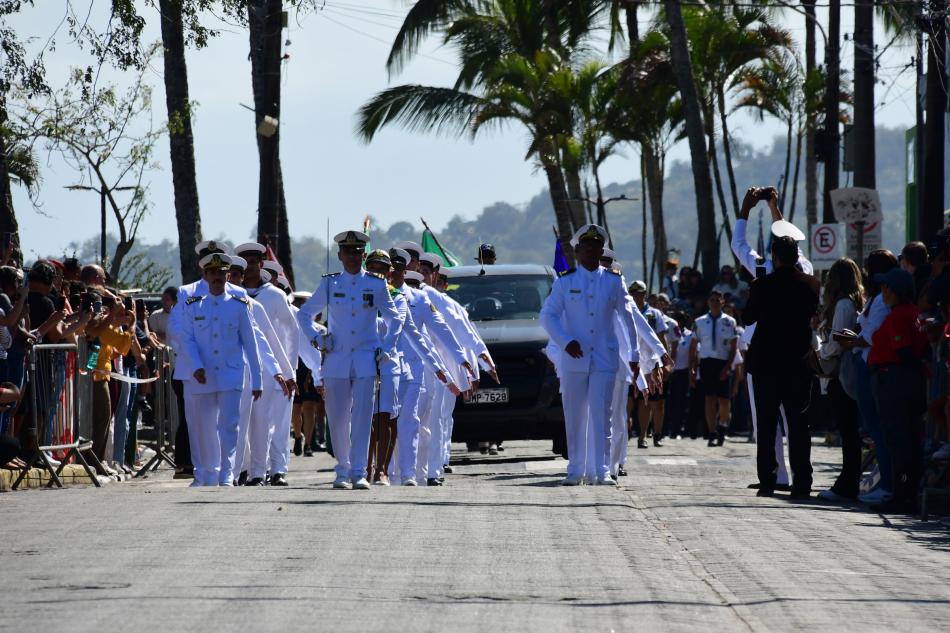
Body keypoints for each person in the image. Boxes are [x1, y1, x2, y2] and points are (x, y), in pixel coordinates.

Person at [296, 230, 400, 490]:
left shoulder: (376, 284)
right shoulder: (331, 284)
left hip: (366, 358)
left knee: (363, 417)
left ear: (363, 255)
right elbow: (304, 315)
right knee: (338, 417)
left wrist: (386, 346)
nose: (352, 257)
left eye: (357, 252)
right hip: (336, 358)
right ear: (340, 255)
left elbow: (395, 318)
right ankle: (342, 469)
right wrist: (317, 340)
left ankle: (359, 471)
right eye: (347, 252)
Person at [539, 224, 641, 486]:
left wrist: (635, 354)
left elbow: (627, 318)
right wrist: (564, 341)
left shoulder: (613, 281)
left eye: (597, 246)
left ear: (601, 250)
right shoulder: (565, 282)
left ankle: (602, 470)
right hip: (574, 358)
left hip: (604, 358)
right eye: (587, 246)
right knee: (574, 416)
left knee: (602, 415)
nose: (592, 250)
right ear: (578, 250)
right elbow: (547, 316)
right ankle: (575, 470)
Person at [177, 253, 264, 487]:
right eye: (212, 273)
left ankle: (226, 472)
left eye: (221, 273)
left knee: (229, 424)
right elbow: (187, 339)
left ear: (228, 275)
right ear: (205, 276)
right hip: (203, 376)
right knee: (204, 427)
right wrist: (195, 366)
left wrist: (257, 380)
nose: (217, 277)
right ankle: (207, 473)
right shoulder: (194, 306)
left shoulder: (238, 306)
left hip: (230, 373)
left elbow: (251, 343)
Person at [742, 235, 820, 498]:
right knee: (799, 425)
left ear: (774, 257)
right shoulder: (809, 285)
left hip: (766, 362)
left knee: (766, 424)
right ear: (797, 257)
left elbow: (747, 316)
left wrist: (753, 293)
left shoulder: (763, 285)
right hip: (797, 362)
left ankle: (767, 480)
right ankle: (802, 482)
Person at [866, 268, 929, 513]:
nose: (882, 292)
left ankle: (902, 495)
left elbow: (903, 351)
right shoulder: (913, 313)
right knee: (908, 440)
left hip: (894, 380)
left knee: (898, 440)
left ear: (896, 291)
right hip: (905, 381)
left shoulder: (899, 316)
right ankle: (906, 494)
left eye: (886, 288)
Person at [815, 258, 865, 502]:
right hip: (838, 373)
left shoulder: (844, 305)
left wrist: (819, 355)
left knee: (848, 431)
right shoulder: (844, 304)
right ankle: (847, 480)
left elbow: (837, 342)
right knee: (847, 430)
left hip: (841, 374)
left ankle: (848, 483)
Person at [689, 291, 738, 447]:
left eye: (717, 300)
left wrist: (728, 366)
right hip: (707, 362)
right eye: (712, 300)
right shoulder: (700, 321)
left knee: (724, 400)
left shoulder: (730, 321)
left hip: (723, 362)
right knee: (709, 398)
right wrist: (692, 368)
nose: (715, 303)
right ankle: (711, 432)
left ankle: (722, 425)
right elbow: (693, 346)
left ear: (722, 302)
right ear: (708, 302)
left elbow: (733, 347)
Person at [628, 280, 669, 448]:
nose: (637, 296)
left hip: (650, 362)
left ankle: (643, 436)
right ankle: (625, 435)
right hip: (631, 361)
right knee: (629, 401)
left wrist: (664, 362)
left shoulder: (654, 314)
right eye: (634, 293)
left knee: (647, 403)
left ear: (644, 294)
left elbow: (661, 338)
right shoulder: (626, 310)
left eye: (640, 293)